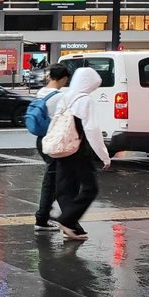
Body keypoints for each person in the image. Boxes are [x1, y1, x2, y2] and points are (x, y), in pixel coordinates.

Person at [53, 67, 111, 241]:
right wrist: (104, 155)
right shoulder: (85, 100)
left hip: (63, 147)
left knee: (64, 188)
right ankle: (67, 221)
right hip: (79, 150)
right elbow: (92, 129)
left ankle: (70, 226)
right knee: (90, 188)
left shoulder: (65, 96)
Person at [33, 63, 70, 232]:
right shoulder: (60, 97)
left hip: (41, 140)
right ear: (62, 78)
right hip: (54, 141)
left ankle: (48, 215)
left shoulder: (41, 93)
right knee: (52, 181)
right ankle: (42, 218)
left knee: (55, 178)